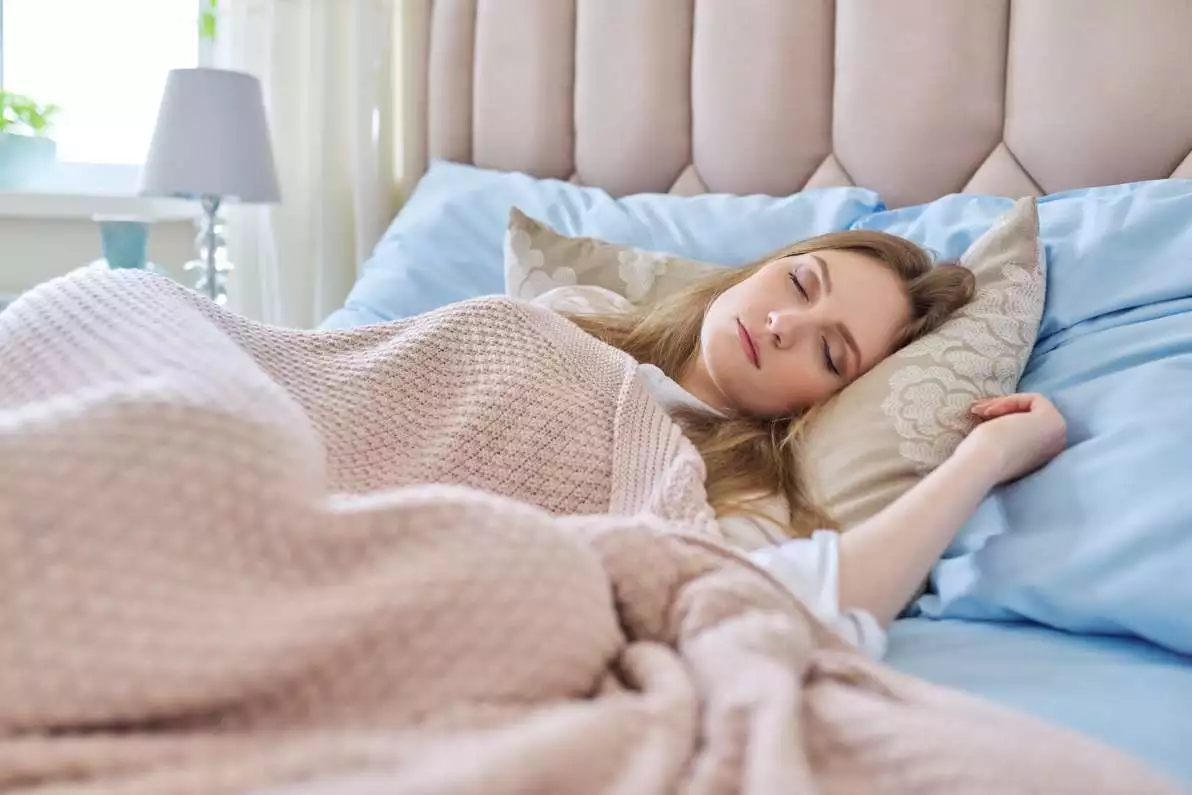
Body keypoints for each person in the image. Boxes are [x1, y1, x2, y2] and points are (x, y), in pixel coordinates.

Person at [566, 231, 1067, 657]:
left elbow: (794, 610)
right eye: (799, 284)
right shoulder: (575, 313)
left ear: (826, 403)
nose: (783, 325)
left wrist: (988, 456)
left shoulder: (735, 492)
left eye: (829, 352)